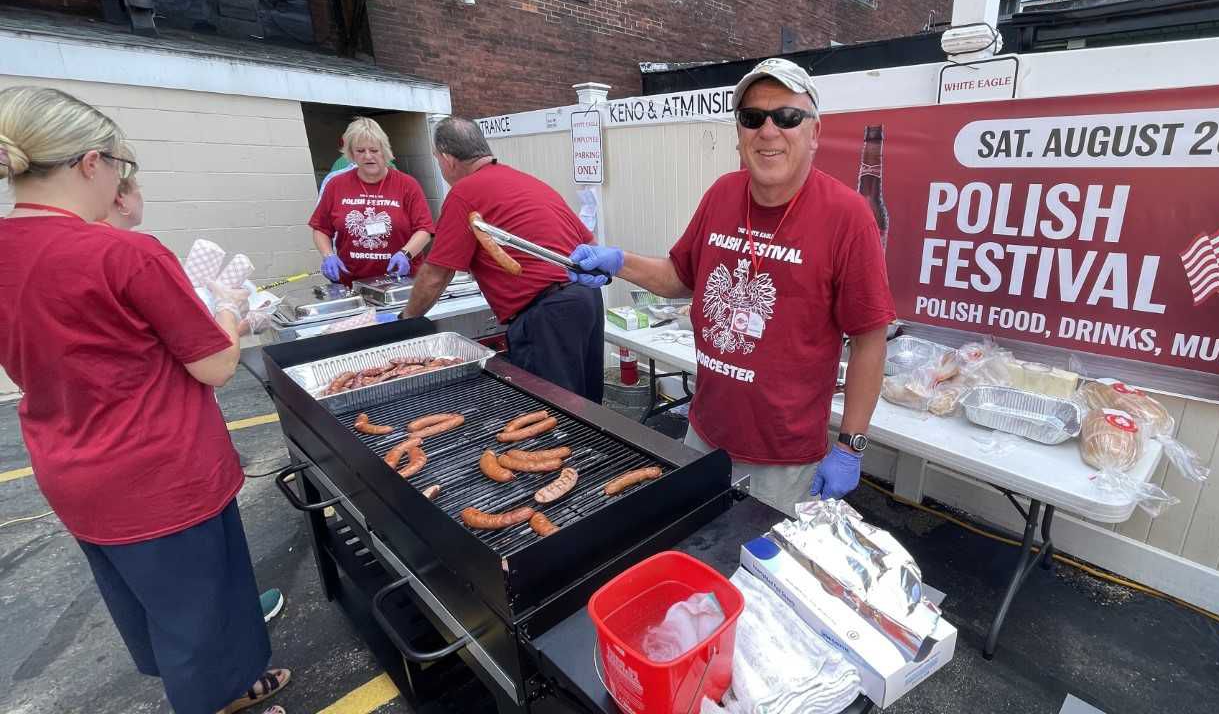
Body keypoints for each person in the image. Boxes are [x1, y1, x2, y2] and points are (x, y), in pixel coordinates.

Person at [0, 86, 289, 714]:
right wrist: (234, 312)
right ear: (90, 163)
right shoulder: (123, 251)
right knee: (202, 617)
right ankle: (217, 701)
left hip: (69, 466)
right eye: (119, 166)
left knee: (162, 608)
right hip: (160, 471)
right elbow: (214, 364)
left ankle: (231, 690)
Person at [569, 58, 895, 514]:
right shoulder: (722, 194)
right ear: (738, 133)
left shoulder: (848, 216)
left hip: (784, 457)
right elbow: (680, 276)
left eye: (787, 117)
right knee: (693, 560)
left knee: (759, 573)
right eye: (751, 117)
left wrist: (850, 446)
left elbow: (869, 342)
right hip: (705, 434)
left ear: (815, 133)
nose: (768, 130)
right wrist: (619, 261)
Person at [400, 117, 605, 402]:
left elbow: (436, 276)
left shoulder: (463, 194)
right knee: (587, 404)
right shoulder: (528, 181)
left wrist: (407, 320)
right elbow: (591, 244)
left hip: (547, 314)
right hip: (587, 298)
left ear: (447, 159)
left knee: (555, 413)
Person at [309, 117, 432, 285]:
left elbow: (425, 229)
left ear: (385, 151)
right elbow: (320, 228)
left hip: (400, 281)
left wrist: (406, 254)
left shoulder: (407, 185)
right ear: (351, 154)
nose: (368, 156)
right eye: (360, 151)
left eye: (374, 150)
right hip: (351, 282)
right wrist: (328, 255)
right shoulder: (336, 185)